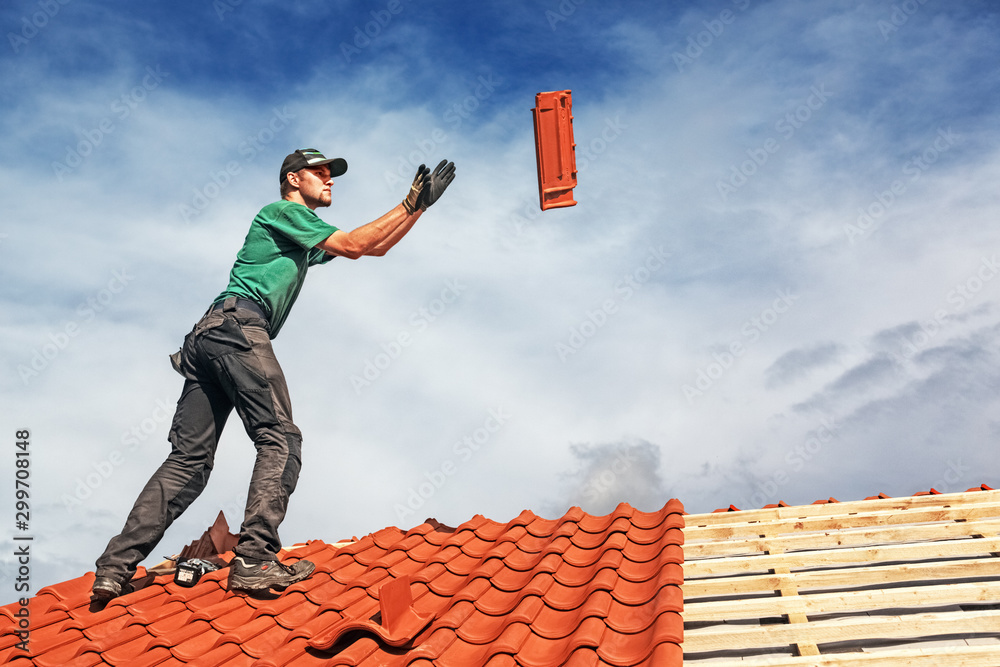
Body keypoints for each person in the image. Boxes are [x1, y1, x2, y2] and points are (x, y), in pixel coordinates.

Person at [92, 149, 456, 599]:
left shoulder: (298, 235)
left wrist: (416, 208)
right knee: (280, 438)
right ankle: (254, 560)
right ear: (292, 178)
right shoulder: (282, 212)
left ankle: (114, 567)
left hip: (209, 338)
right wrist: (407, 203)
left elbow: (372, 246)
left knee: (188, 461)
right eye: (320, 172)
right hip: (239, 330)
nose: (330, 180)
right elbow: (355, 244)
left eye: (331, 174)